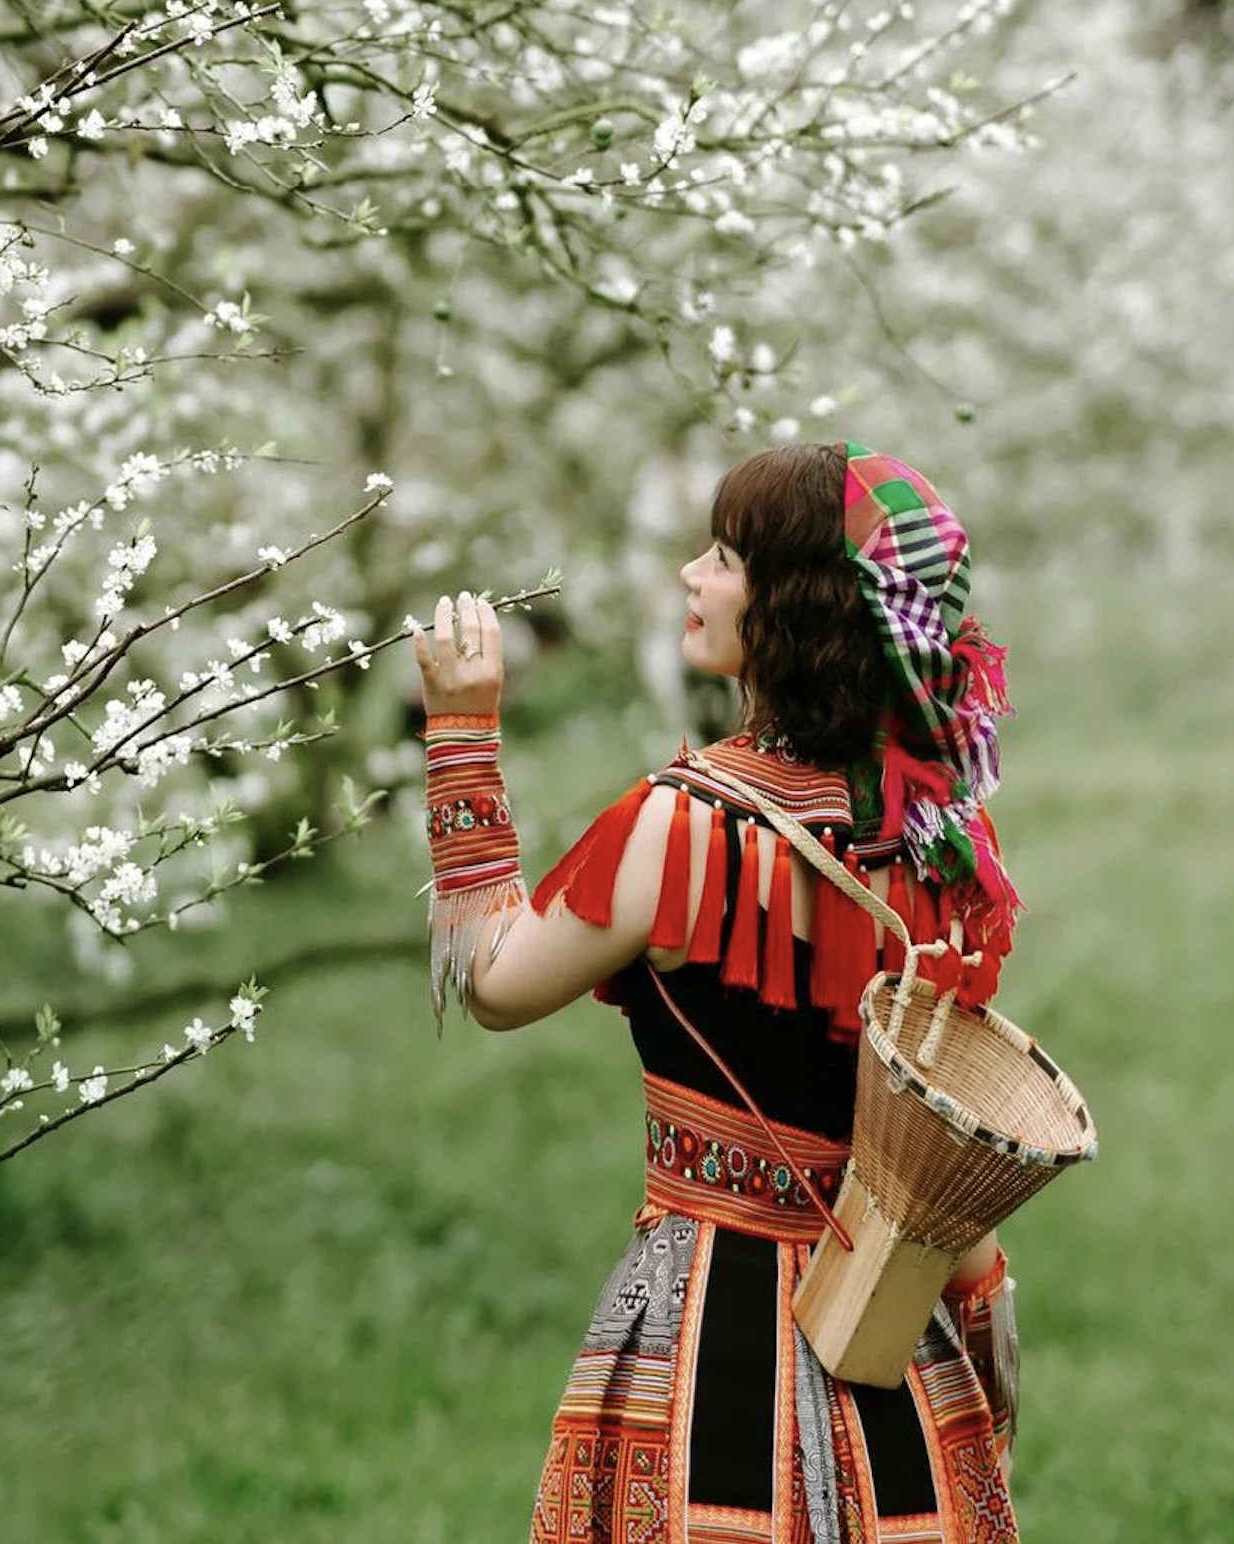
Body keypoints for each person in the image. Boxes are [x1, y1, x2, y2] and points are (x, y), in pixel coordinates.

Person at [415, 441, 1026, 1544]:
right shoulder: (938, 844)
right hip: (895, 1322)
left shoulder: (681, 824)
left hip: (698, 1333)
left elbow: (496, 982)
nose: (691, 576)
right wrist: (985, 1336)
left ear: (791, 604)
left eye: (725, 556)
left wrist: (462, 732)